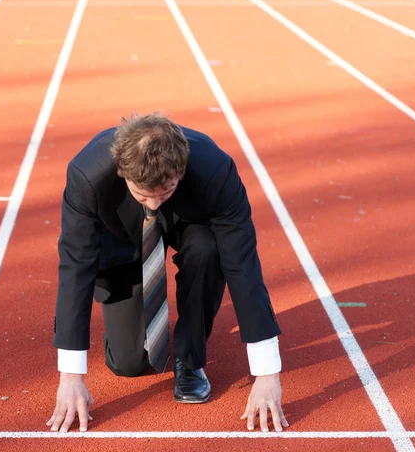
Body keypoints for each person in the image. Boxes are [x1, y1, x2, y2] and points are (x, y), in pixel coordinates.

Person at [46, 113, 288, 433]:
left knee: (208, 249)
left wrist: (267, 374)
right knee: (129, 365)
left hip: (190, 225)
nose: (155, 204)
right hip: (122, 240)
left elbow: (242, 265)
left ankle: (189, 358)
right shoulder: (86, 176)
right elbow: (76, 267)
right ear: (121, 168)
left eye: (166, 191)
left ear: (182, 170)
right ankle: (132, 323)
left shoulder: (217, 172)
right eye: (144, 194)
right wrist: (70, 376)